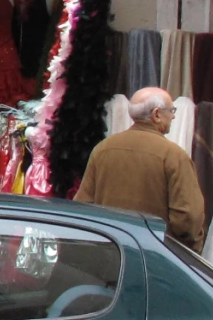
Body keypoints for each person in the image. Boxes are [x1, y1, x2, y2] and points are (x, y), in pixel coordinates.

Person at [75, 87, 205, 249]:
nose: (173, 116)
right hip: (154, 255)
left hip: (110, 252)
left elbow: (83, 205)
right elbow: (188, 218)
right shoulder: (173, 156)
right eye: (171, 110)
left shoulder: (103, 149)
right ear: (156, 114)